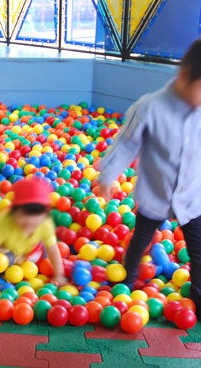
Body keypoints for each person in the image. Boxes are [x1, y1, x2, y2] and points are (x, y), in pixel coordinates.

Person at [97, 38, 201, 316]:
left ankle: (199, 299)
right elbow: (126, 144)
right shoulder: (150, 108)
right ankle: (126, 282)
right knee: (140, 241)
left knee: (199, 252)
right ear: (184, 77)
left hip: (192, 196)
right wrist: (108, 174)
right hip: (155, 193)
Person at [0, 177, 66, 285]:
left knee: (46, 256)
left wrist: (59, 275)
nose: (30, 222)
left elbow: (53, 250)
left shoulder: (45, 224)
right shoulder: (3, 224)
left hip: (28, 246)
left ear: (45, 214)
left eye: (36, 218)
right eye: (24, 216)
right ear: (14, 212)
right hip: (4, 247)